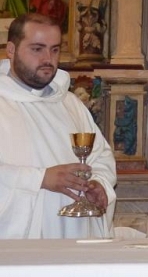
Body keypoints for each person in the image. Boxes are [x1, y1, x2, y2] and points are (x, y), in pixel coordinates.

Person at [0, 13, 116, 238]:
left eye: (54, 50)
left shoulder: (70, 103)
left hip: (76, 235)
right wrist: (40, 178)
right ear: (11, 50)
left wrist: (98, 185)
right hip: (19, 244)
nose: (48, 59)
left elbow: (100, 157)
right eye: (37, 49)